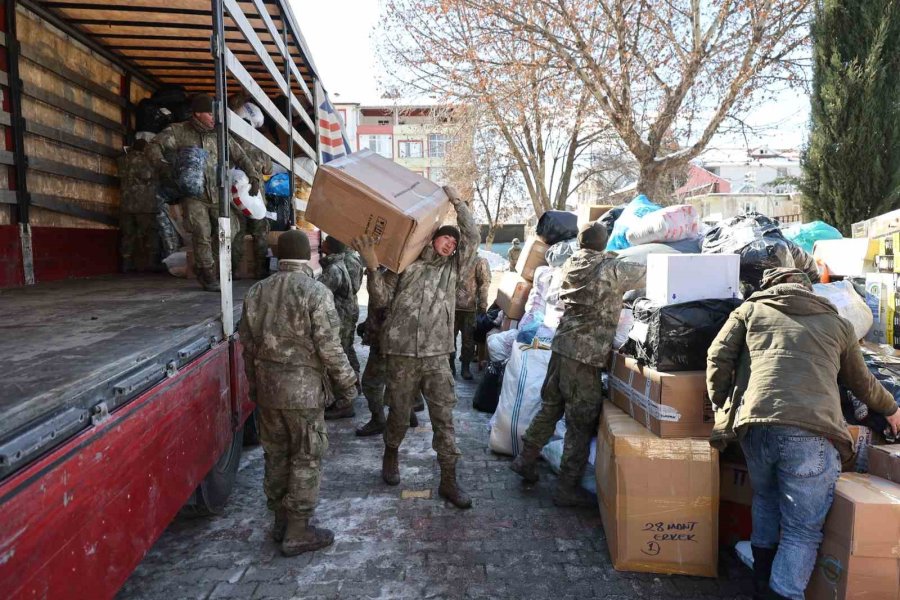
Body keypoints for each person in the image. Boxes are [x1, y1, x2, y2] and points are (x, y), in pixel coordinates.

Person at [706, 267, 900, 600]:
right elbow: (862, 382)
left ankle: (760, 584)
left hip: (754, 426)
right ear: (809, 290)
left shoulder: (750, 309)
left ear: (772, 288)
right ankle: (780, 593)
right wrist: (893, 410)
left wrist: (721, 401)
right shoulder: (837, 323)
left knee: (766, 500)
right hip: (810, 431)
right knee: (802, 531)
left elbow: (716, 356)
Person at [353, 185, 479, 509]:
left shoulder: (453, 270)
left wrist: (457, 203)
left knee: (444, 418)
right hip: (402, 354)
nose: (450, 245)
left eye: (453, 243)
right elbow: (380, 299)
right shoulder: (405, 263)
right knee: (398, 413)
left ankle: (449, 481)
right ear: (434, 237)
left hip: (437, 356)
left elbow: (473, 237)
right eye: (445, 239)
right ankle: (391, 455)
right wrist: (371, 268)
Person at [239, 230, 357, 557]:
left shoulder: (256, 291)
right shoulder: (315, 292)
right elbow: (330, 348)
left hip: (268, 390)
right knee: (306, 456)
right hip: (302, 393)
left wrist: (253, 384)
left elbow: (247, 346)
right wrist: (348, 384)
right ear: (306, 256)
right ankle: (298, 530)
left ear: (279, 256)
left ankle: (280, 521)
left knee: (276, 455)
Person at [509, 222, 645, 506]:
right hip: (585, 356)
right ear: (602, 243)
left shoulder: (571, 263)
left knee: (551, 406)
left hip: (561, 347)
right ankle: (566, 487)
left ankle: (526, 459)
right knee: (580, 422)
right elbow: (645, 273)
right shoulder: (610, 268)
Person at [148, 94, 261, 291]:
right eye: (210, 113)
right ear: (197, 113)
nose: (213, 117)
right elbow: (153, 146)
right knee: (201, 232)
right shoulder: (178, 131)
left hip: (219, 193)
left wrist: (253, 176)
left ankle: (209, 266)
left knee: (230, 230)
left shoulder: (220, 134)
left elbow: (240, 155)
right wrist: (163, 166)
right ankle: (208, 276)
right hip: (194, 195)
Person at [355, 280, 423, 437]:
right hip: (400, 341)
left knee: (371, 383)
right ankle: (408, 413)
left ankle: (378, 419)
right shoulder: (404, 275)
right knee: (396, 377)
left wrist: (374, 327)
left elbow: (387, 310)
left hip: (385, 341)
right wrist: (368, 324)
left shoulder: (388, 279)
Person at [318, 235, 363, 419]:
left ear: (331, 247)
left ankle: (345, 399)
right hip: (346, 313)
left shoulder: (334, 269)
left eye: (325, 243)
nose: (321, 245)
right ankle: (353, 386)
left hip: (341, 316)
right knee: (346, 350)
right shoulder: (339, 264)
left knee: (338, 356)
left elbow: (319, 293)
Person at [229, 94, 273, 280]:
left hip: (233, 194)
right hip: (255, 196)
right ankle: (261, 271)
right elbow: (268, 170)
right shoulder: (259, 146)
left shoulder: (229, 142)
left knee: (237, 232)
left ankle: (232, 271)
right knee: (259, 233)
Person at [118, 138, 162, 272]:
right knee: (150, 232)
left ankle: (126, 262)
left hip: (125, 204)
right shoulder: (145, 160)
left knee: (128, 234)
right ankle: (152, 263)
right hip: (144, 204)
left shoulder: (122, 160)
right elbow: (147, 175)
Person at [451, 254, 491, 379]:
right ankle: (450, 366)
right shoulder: (452, 258)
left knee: (468, 340)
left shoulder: (479, 260)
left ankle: (465, 367)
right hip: (450, 308)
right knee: (448, 339)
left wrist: (482, 305)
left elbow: (484, 283)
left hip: (470, 308)